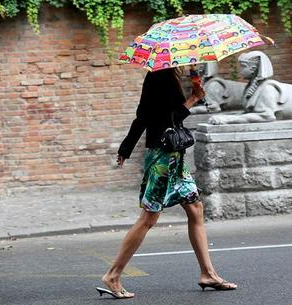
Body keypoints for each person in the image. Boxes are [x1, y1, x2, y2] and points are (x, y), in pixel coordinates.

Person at [96, 67, 238, 299]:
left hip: (175, 158)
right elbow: (164, 119)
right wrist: (193, 98)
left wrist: (126, 148)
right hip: (163, 158)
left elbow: (144, 115)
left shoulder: (168, 75)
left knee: (195, 209)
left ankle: (208, 273)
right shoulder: (160, 76)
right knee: (149, 217)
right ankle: (112, 275)